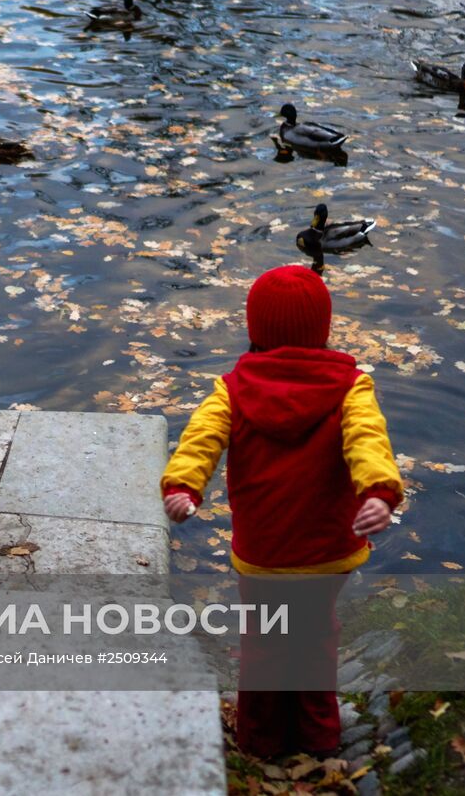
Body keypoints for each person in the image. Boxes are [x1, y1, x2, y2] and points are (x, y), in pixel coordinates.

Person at [160, 265, 403, 759]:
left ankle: (259, 742)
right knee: (316, 639)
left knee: (265, 643)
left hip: (264, 551)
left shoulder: (232, 388)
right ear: (323, 328)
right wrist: (378, 492)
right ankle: (318, 740)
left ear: (255, 329)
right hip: (328, 550)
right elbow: (366, 440)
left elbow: (200, 440)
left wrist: (184, 485)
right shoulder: (351, 386)